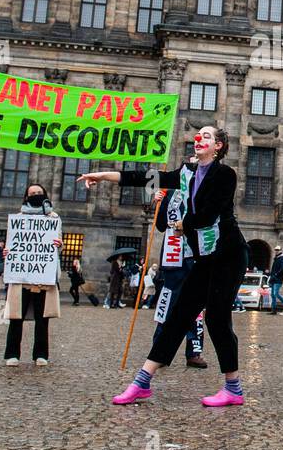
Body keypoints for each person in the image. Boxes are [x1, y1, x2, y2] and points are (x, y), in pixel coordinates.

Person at [83, 125, 250, 408]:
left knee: (216, 319)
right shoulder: (185, 174)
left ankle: (233, 388)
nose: (200, 138)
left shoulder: (225, 175)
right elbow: (145, 177)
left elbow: (210, 212)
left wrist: (183, 224)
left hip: (229, 255)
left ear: (219, 146)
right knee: (178, 316)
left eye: (207, 136)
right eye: (199, 134)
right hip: (205, 257)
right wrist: (104, 176)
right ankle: (142, 382)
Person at [3, 185, 61, 366]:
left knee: (42, 319)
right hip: (21, 278)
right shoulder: (18, 219)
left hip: (43, 276)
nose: (36, 196)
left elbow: (58, 243)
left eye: (39, 193)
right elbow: (11, 243)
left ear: (45, 195)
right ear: (26, 197)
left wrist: (60, 244)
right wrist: (7, 252)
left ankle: (41, 355)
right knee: (16, 318)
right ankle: (12, 354)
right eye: (32, 194)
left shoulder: (53, 218)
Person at [150, 187, 208, 368]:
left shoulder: (203, 190)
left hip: (195, 254)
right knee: (167, 304)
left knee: (195, 305)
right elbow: (160, 225)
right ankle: (158, 352)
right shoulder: (170, 194)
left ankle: (194, 352)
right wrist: (158, 203)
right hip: (172, 254)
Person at [268, 246, 283, 313]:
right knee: (272, 295)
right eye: (275, 250)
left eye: (277, 250)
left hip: (278, 279)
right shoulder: (276, 258)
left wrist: (276, 274)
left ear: (281, 250)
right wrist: (271, 276)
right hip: (273, 278)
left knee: (276, 294)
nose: (276, 251)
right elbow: (273, 269)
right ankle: (273, 310)